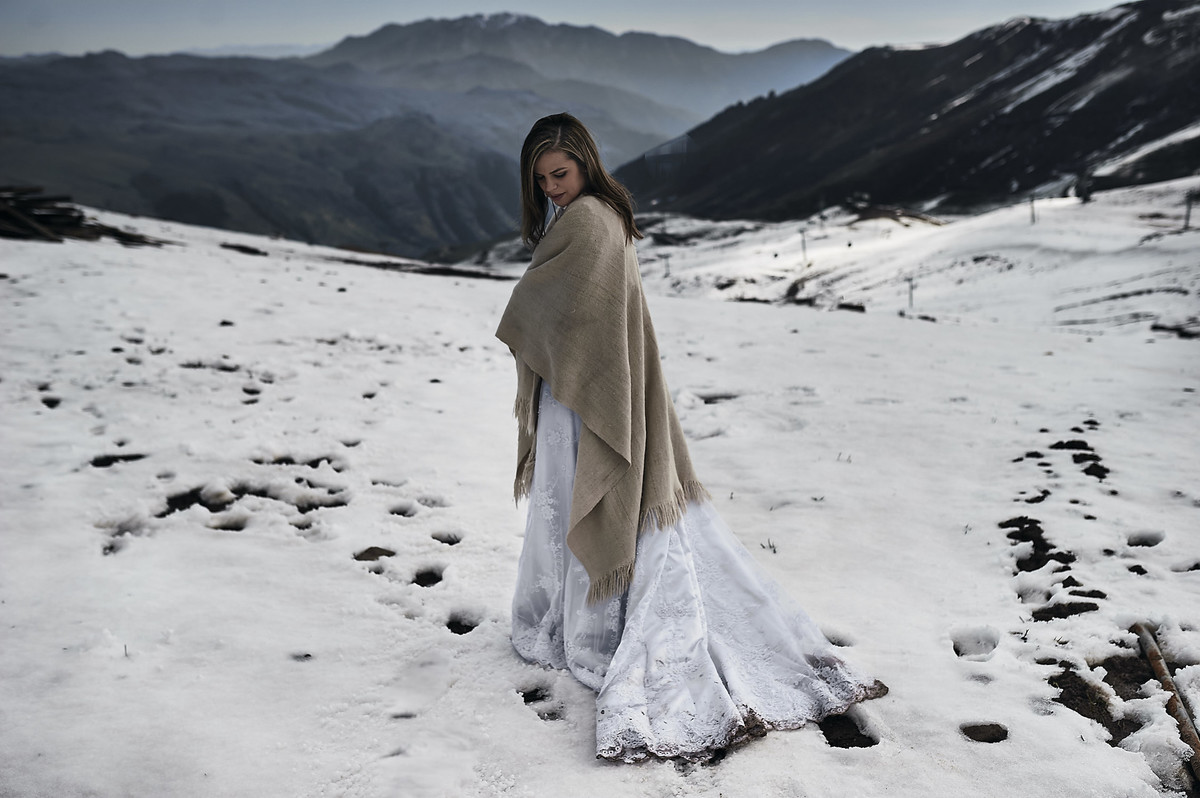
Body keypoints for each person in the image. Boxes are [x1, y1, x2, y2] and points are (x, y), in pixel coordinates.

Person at [495, 113, 886, 763]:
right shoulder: (593, 214)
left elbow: (560, 310)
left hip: (583, 397)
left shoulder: (591, 219)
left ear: (585, 164)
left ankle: (594, 628)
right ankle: (586, 618)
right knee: (569, 503)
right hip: (578, 388)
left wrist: (537, 318)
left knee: (576, 498)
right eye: (540, 180)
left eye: (559, 174)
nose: (551, 188)